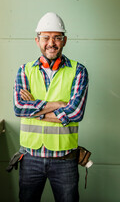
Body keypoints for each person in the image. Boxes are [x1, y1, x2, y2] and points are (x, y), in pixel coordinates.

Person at [14, 12, 89, 202]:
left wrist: (36, 112)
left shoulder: (78, 71)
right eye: (46, 37)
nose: (51, 43)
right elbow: (19, 108)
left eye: (57, 38)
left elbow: (76, 112)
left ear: (65, 41)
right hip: (30, 157)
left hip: (65, 159)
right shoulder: (24, 71)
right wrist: (58, 105)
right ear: (37, 40)